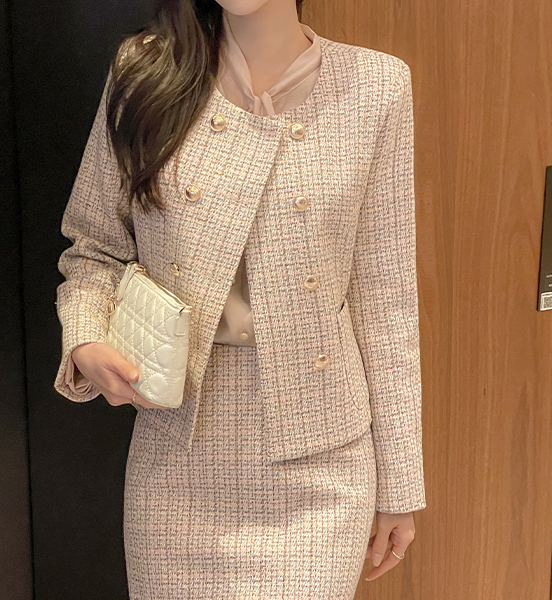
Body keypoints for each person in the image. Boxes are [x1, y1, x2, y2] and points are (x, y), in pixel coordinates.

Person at [53, 0, 427, 597]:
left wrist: (400, 487)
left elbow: (386, 299)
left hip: (321, 463)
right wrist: (86, 338)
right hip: (177, 454)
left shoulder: (377, 85)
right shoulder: (145, 71)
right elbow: (94, 249)